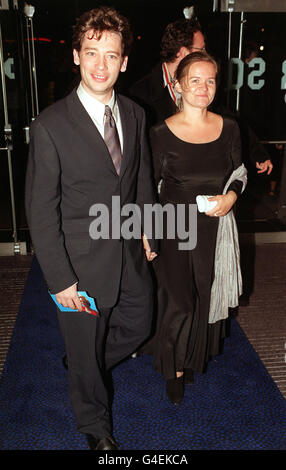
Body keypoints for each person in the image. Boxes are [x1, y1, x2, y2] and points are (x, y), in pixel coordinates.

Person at [25, 7, 157, 450]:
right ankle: (96, 430)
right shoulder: (50, 126)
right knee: (84, 351)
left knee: (140, 324)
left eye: (111, 54)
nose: (101, 64)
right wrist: (61, 280)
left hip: (129, 252)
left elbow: (138, 178)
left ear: (124, 61)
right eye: (91, 52)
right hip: (79, 263)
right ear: (78, 57)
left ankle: (84, 363)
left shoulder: (136, 115)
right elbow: (41, 211)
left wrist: (145, 228)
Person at [143, 51, 247, 406]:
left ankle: (189, 359)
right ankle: (171, 367)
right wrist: (147, 231)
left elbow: (239, 173)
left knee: (204, 298)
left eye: (211, 80)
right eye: (195, 80)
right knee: (180, 302)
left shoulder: (229, 127)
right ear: (178, 86)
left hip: (215, 231)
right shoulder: (159, 133)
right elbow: (146, 187)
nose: (203, 87)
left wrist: (232, 196)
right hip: (174, 228)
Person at [129, 16, 205, 127]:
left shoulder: (206, 85)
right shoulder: (139, 94)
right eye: (201, 50)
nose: (205, 55)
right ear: (183, 52)